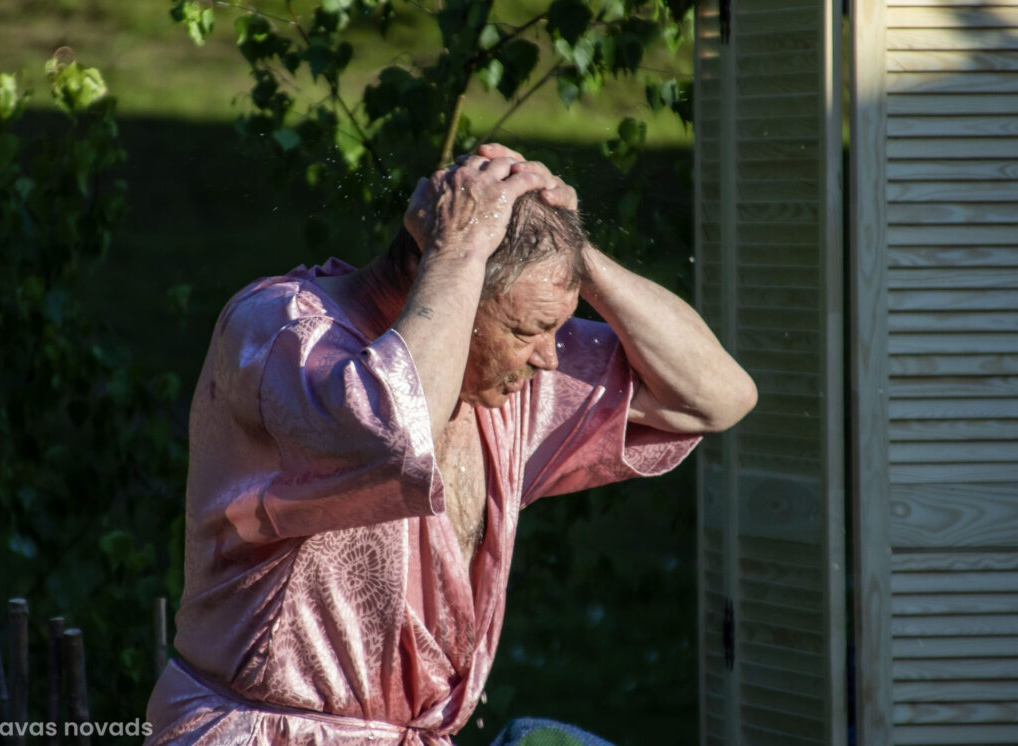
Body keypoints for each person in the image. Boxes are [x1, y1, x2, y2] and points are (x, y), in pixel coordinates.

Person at [145, 143, 757, 745]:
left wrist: (568, 246)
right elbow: (394, 433)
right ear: (442, 280)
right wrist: (461, 244)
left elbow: (715, 397)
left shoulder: (503, 378)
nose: (549, 357)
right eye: (528, 329)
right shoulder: (281, 330)